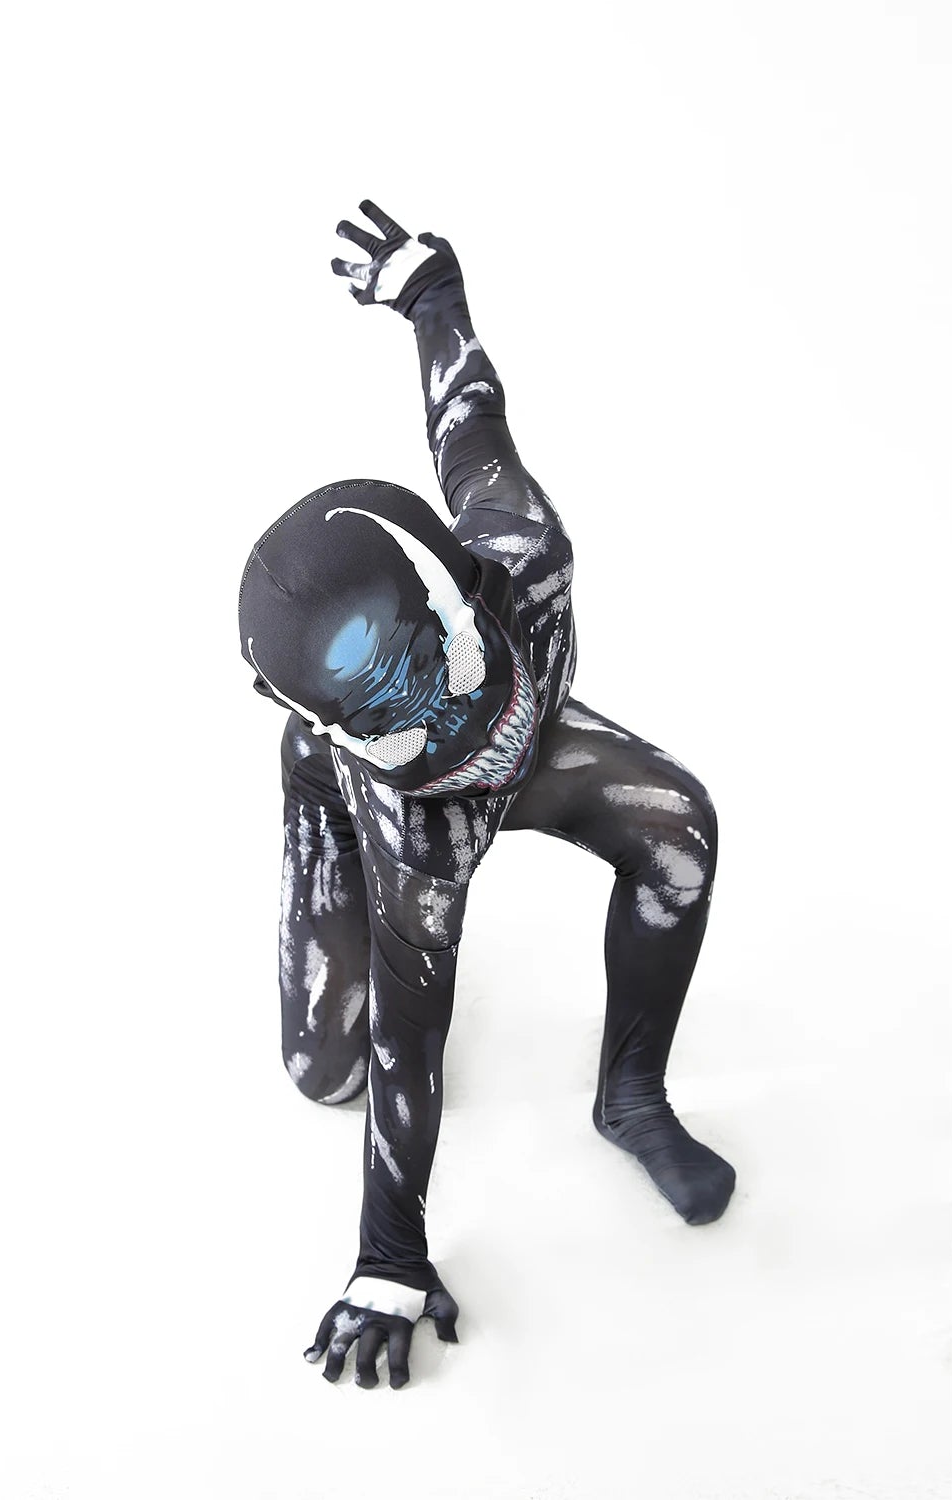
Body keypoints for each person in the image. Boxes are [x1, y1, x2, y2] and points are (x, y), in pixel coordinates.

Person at [236, 201, 734, 1390]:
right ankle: (317, 791)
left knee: (677, 825)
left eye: (434, 659)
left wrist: (433, 298)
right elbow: (411, 1039)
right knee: (330, 1070)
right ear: (340, 731)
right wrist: (389, 1257)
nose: (445, 723)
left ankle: (630, 1092)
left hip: (532, 740)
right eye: (387, 716)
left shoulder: (525, 554)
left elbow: (468, 420)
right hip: (383, 811)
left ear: (472, 580)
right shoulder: (406, 815)